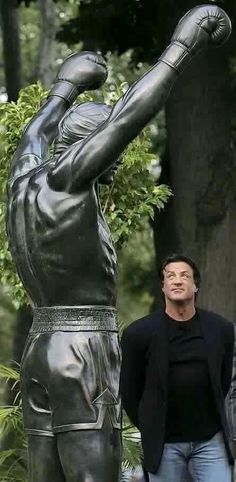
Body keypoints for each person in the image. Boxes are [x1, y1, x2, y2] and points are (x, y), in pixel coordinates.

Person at [6, 5, 231, 482]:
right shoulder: (68, 178)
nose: (114, 164)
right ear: (92, 147)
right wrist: (182, 45)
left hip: (41, 347)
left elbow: (33, 134)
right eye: (109, 151)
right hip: (82, 348)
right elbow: (130, 117)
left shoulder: (22, 178)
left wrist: (65, 88)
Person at [121, 253, 235, 482]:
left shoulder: (221, 329)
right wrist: (148, 424)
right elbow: (130, 391)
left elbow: (222, 382)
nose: (177, 280)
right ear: (163, 287)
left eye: (184, 275)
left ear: (195, 286)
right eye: (170, 276)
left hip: (210, 441)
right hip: (164, 445)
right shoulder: (138, 334)